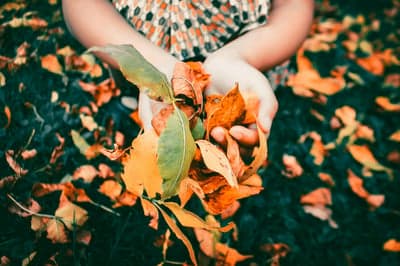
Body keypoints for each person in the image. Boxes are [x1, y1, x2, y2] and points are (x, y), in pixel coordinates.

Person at [61, 0, 314, 146]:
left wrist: (243, 57)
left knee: (237, 120)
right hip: (142, 46)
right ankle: (133, 99)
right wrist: (151, 67)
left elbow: (293, 6)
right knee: (148, 103)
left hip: (248, 52)